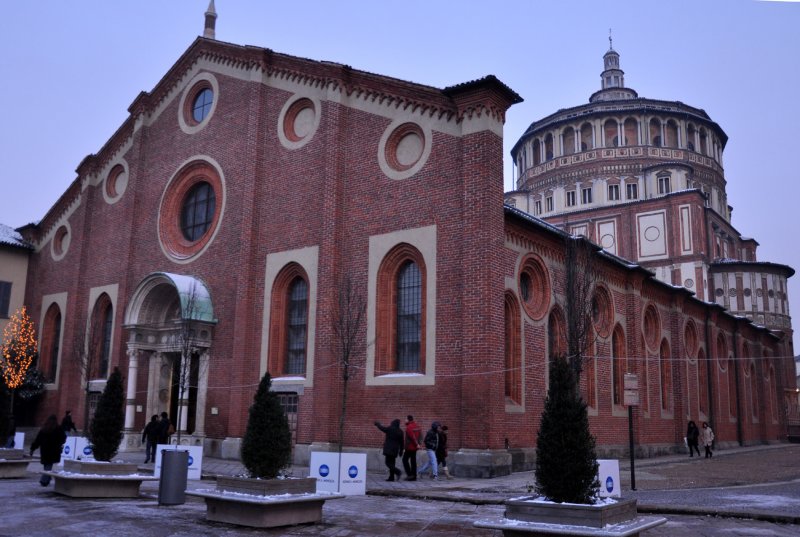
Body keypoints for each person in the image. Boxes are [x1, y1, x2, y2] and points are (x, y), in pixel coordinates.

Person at [30, 414, 67, 486]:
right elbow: (63, 438)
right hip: (54, 450)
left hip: (44, 450)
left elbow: (38, 440)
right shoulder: (58, 428)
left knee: (47, 464)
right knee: (49, 465)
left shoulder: (44, 428)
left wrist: (32, 448)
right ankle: (44, 480)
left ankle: (47, 478)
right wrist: (59, 443)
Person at [402, 415, 422, 481]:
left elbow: (412, 437)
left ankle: (410, 475)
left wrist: (416, 444)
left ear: (408, 420)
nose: (405, 420)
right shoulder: (417, 426)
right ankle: (414, 476)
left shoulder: (409, 427)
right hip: (415, 447)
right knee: (413, 461)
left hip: (410, 447)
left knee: (404, 460)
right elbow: (421, 436)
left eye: (406, 419)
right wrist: (419, 444)